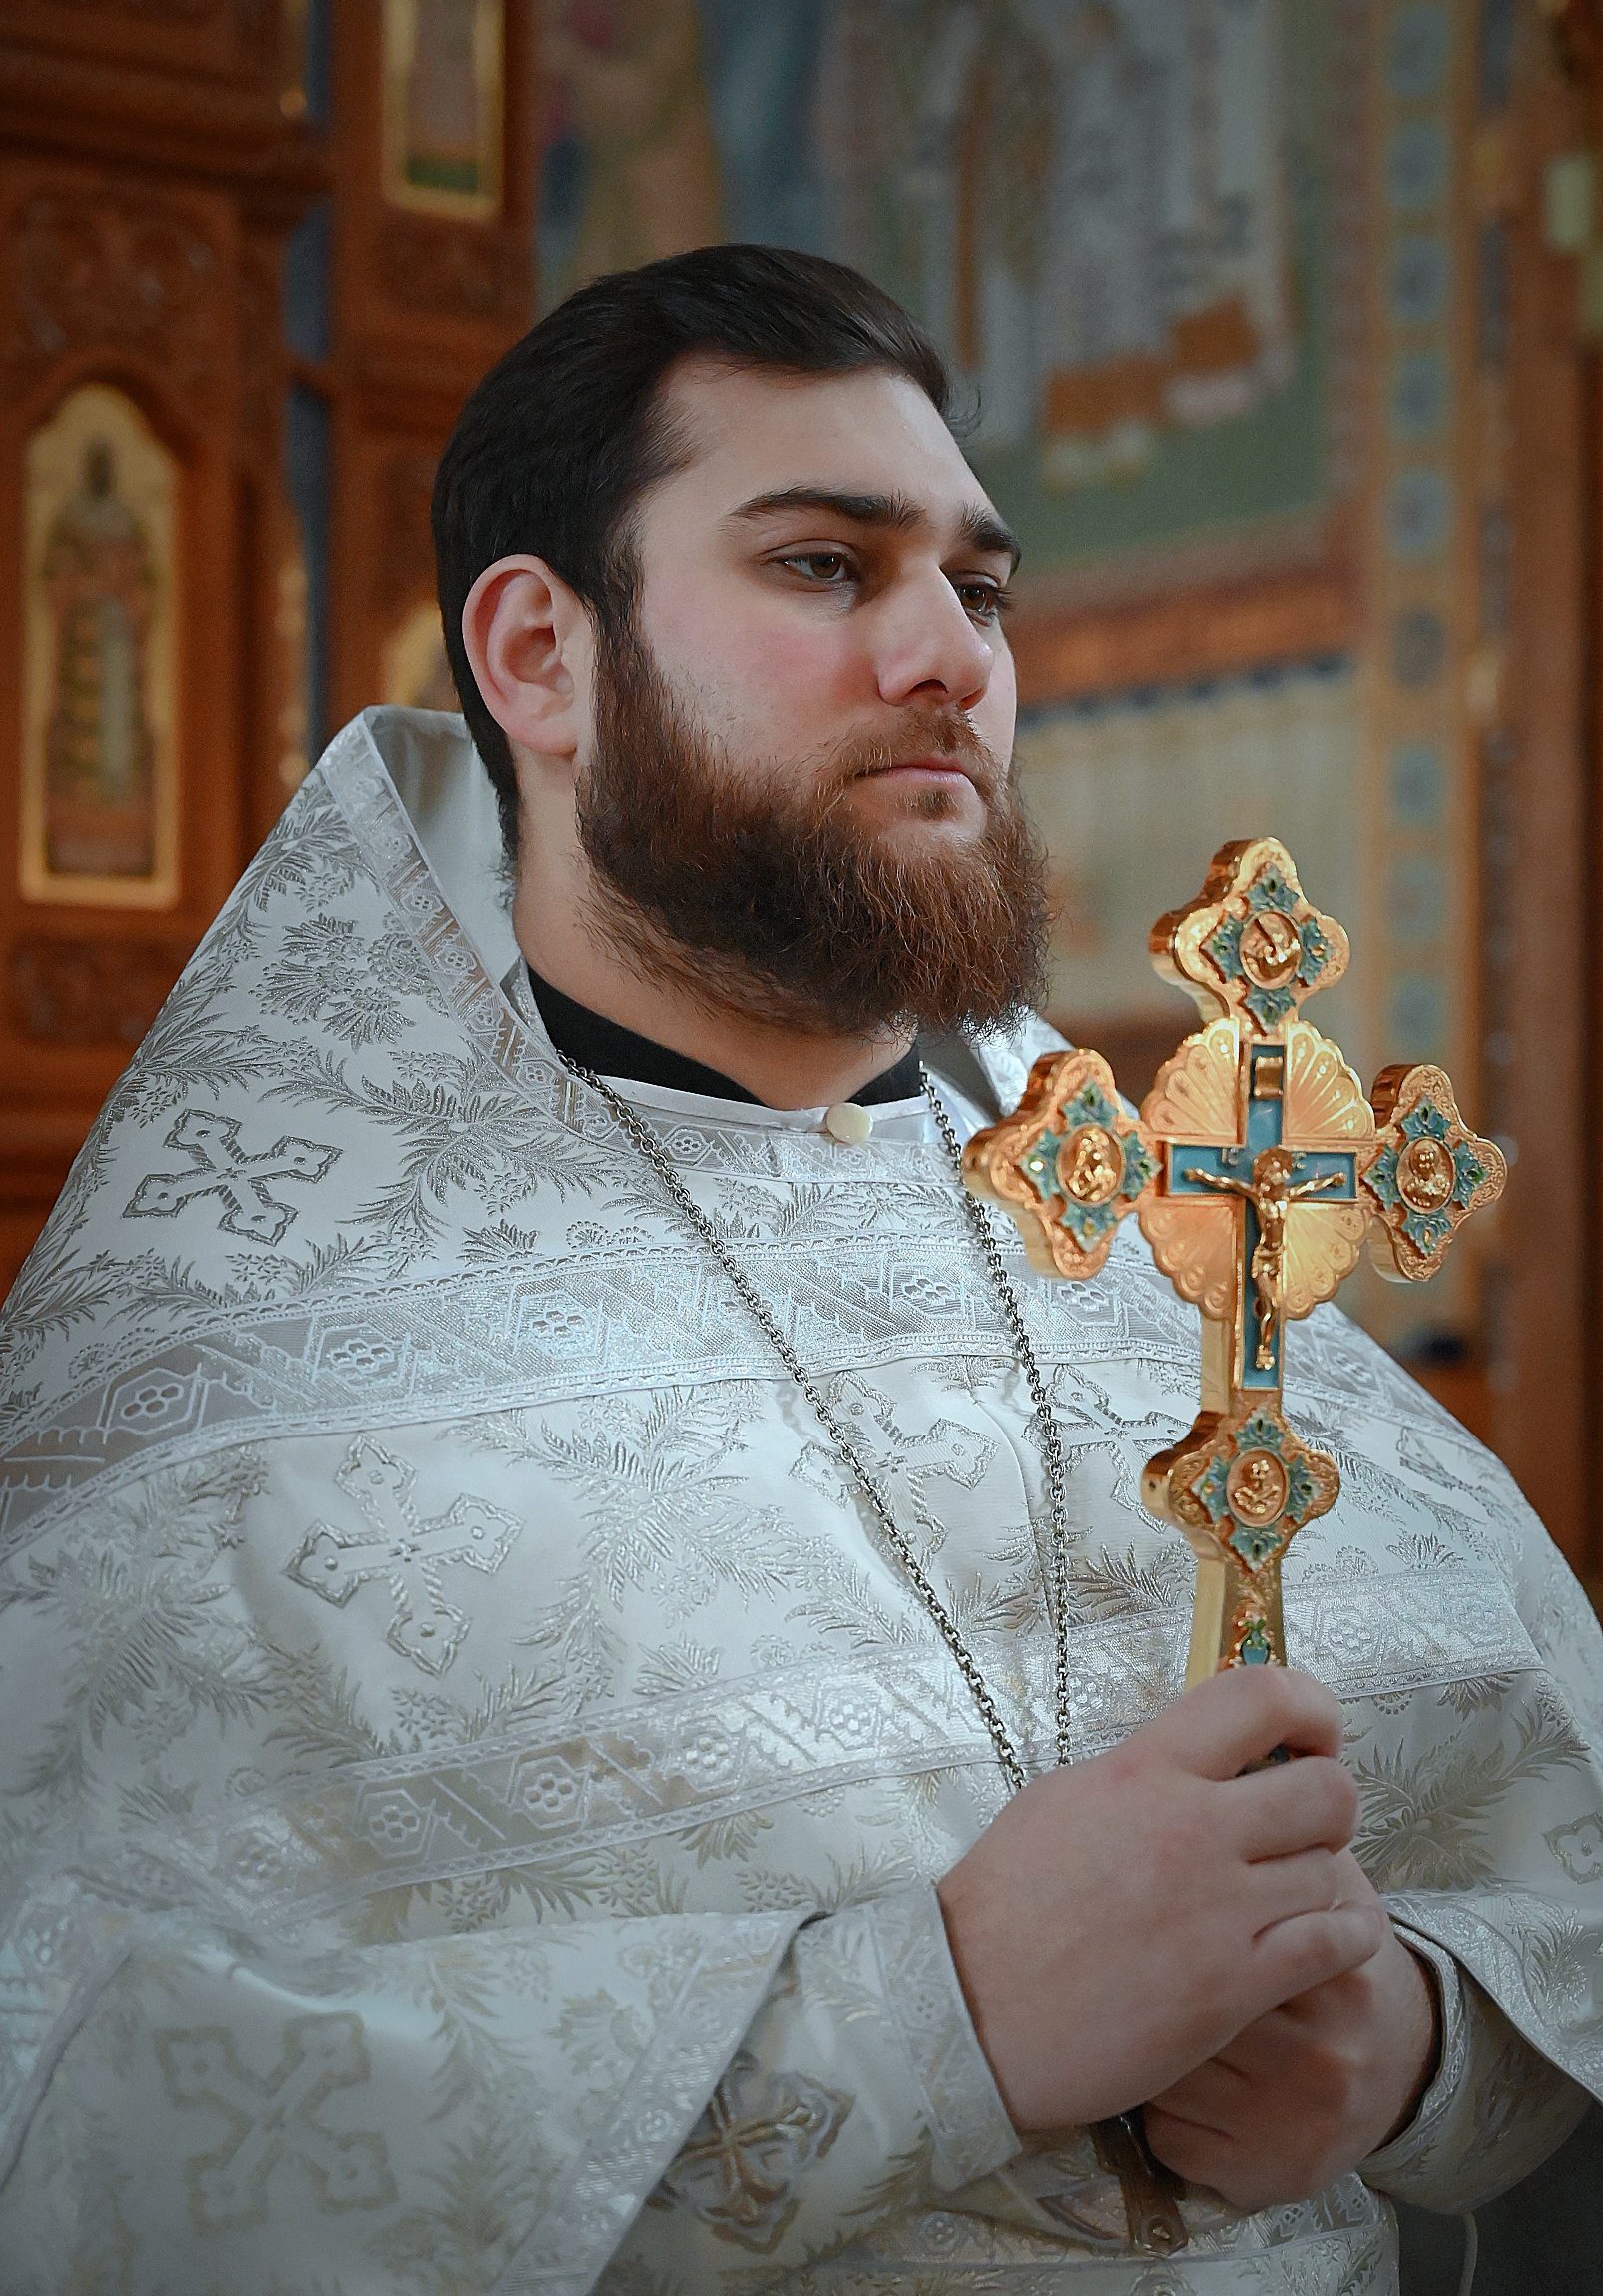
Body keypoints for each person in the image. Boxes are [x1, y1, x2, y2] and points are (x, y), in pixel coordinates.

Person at [0, 246, 1597, 2295]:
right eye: (824, 566)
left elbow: (1543, 1865)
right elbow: (91, 2105)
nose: (947, 657)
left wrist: (1409, 2053)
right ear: (540, 656)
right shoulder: (237, 1368)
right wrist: (929, 2023)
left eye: (979, 588)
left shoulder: (1162, 1247)